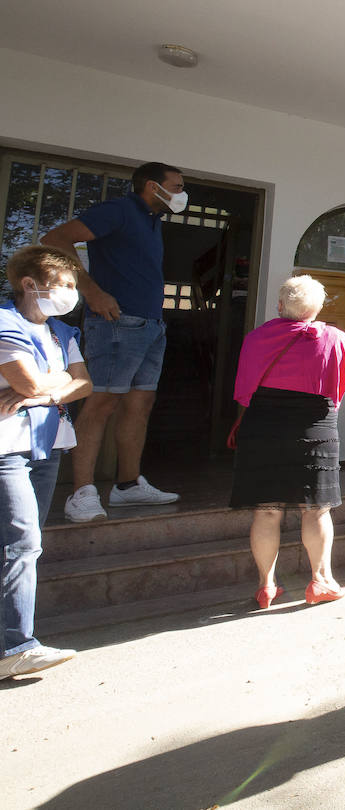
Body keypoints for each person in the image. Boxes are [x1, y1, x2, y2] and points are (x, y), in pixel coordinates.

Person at [42, 162, 185, 523]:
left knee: (140, 402)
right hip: (116, 323)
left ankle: (127, 485)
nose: (183, 194)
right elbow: (56, 239)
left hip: (150, 324)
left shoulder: (153, 220)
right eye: (178, 186)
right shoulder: (119, 210)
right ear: (153, 186)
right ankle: (81, 494)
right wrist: (90, 291)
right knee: (101, 402)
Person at [230, 275, 345, 607]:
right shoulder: (334, 338)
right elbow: (340, 386)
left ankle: (266, 586)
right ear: (317, 307)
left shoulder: (256, 338)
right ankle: (320, 581)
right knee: (315, 510)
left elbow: (243, 390)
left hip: (262, 425)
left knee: (267, 511)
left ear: (280, 305)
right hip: (314, 426)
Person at [0, 246, 93, 678]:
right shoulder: (6, 321)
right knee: (22, 542)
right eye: (67, 285)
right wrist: (54, 384)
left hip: (47, 446)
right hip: (7, 450)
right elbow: (29, 380)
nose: (74, 293)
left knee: (21, 544)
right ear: (30, 284)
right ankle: (16, 645)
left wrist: (47, 393)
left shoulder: (63, 332)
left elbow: (85, 384)